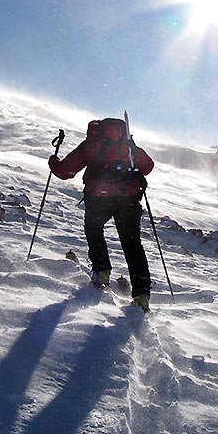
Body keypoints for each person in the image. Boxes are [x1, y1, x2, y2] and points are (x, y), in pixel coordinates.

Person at [48, 117, 155, 310]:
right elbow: (148, 166)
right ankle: (142, 295)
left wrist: (53, 162)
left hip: (100, 197)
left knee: (94, 228)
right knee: (132, 244)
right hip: (129, 200)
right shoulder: (128, 145)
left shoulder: (94, 144)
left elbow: (66, 171)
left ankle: (102, 270)